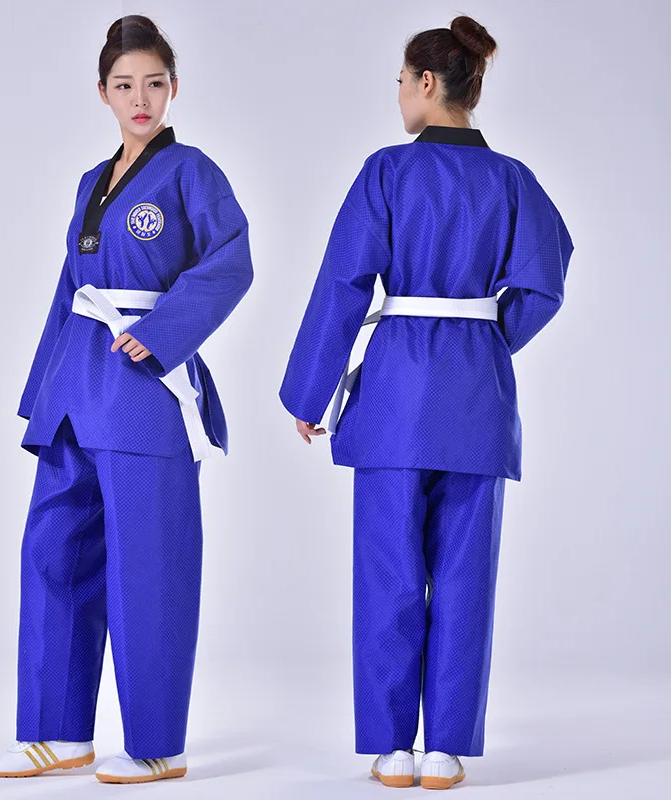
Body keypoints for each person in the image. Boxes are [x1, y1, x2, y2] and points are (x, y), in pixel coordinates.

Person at [279, 15, 573, 791]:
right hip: (477, 399)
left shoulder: (386, 172)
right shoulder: (513, 180)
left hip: (394, 399)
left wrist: (310, 391)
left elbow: (344, 283)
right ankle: (445, 749)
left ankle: (391, 747)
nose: (400, 95)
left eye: (402, 82)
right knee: (466, 573)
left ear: (428, 82)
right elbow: (546, 281)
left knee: (389, 572)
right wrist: (488, 339)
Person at [0, 14, 253, 785]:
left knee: (149, 565)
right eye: (125, 85)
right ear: (102, 92)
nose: (141, 99)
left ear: (174, 88)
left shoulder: (193, 173)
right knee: (52, 552)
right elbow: (70, 288)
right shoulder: (88, 184)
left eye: (154, 84)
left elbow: (232, 262)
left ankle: (156, 741)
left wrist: (162, 332)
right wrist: (42, 395)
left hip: (144, 392)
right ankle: (55, 732)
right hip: (76, 390)